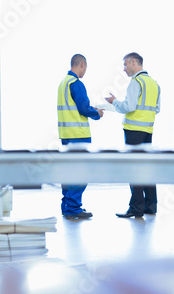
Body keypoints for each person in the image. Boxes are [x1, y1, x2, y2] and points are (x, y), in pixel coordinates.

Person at [105, 52, 161, 218]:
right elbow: (156, 109)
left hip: (133, 132)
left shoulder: (136, 82)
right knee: (147, 167)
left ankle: (136, 208)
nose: (124, 69)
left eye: (125, 64)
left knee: (134, 169)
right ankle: (150, 206)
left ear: (134, 62)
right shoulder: (154, 83)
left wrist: (114, 101)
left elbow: (129, 106)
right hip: (148, 131)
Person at [58, 54, 104, 220]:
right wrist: (97, 113)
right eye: (86, 67)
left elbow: (74, 107)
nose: (85, 71)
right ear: (82, 65)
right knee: (80, 172)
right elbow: (84, 109)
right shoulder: (76, 84)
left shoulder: (63, 83)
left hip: (65, 135)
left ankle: (67, 206)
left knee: (68, 172)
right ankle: (73, 208)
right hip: (78, 135)